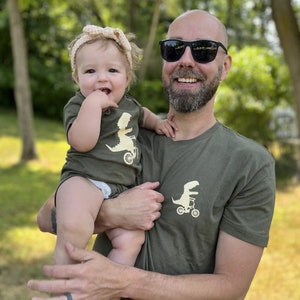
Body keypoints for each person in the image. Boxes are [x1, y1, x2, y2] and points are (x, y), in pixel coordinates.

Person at [28, 9, 276, 300]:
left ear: (226, 65)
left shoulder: (250, 163)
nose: (186, 60)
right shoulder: (120, 130)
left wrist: (122, 282)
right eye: (174, 49)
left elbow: (230, 289)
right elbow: (46, 218)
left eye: (204, 51)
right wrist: (114, 212)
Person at [52, 25, 176, 266]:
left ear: (127, 78)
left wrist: (157, 123)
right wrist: (93, 106)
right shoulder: (78, 105)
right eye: (90, 71)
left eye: (112, 70)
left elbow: (143, 115)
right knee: (74, 225)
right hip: (83, 181)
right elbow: (82, 142)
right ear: (77, 78)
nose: (101, 77)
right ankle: (64, 283)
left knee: (131, 239)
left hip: (120, 188)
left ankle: (109, 283)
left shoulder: (130, 105)